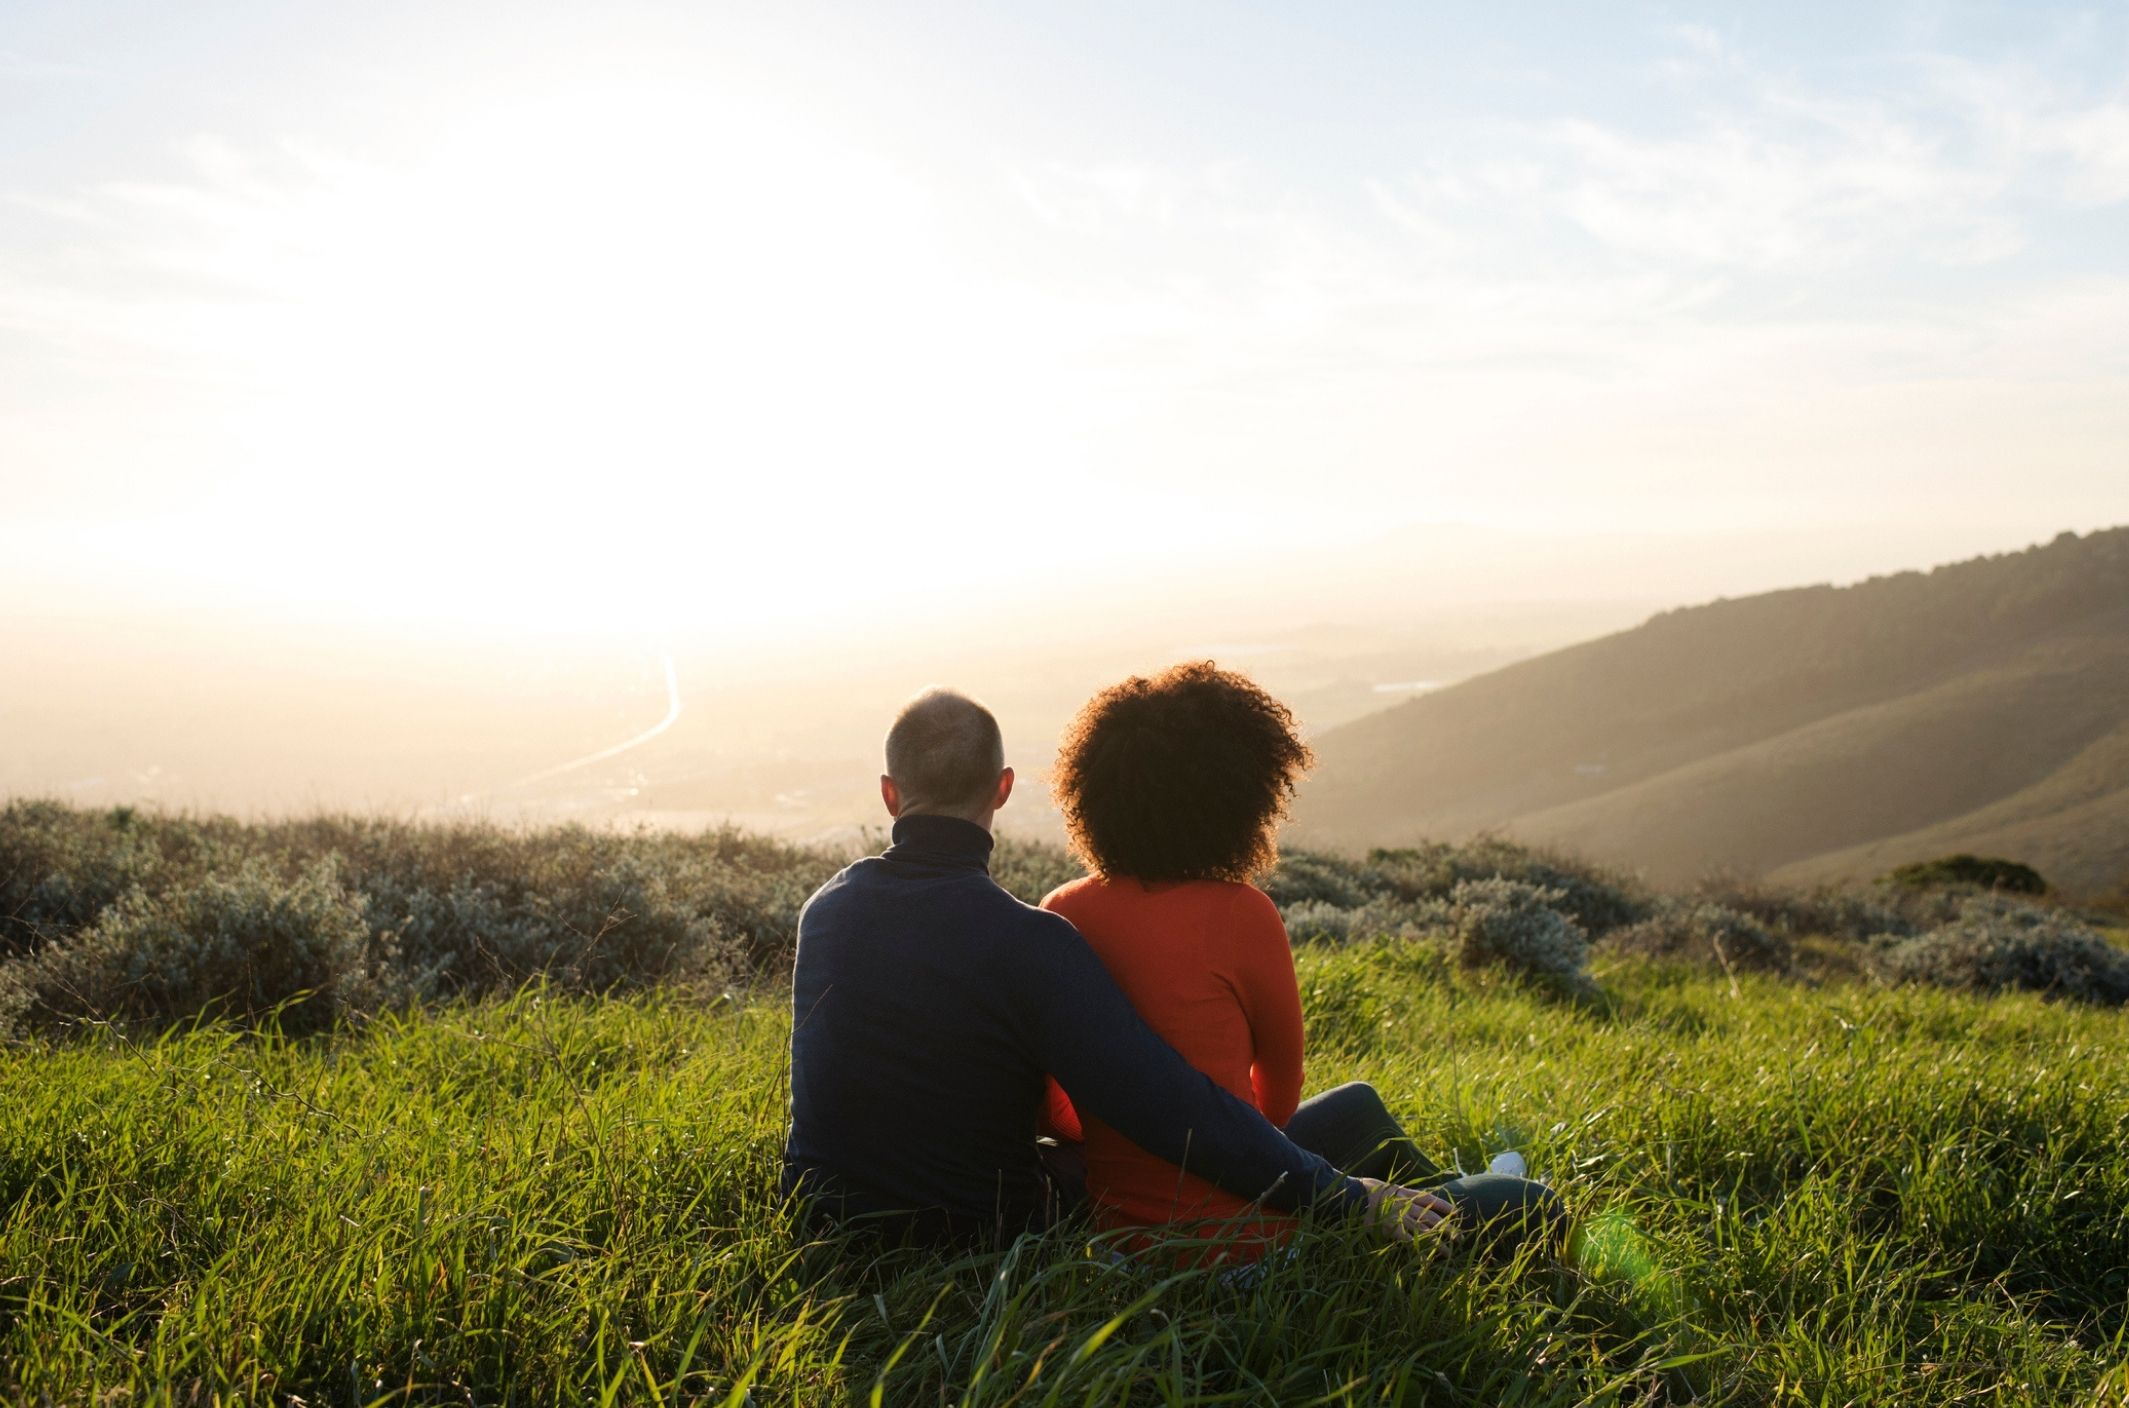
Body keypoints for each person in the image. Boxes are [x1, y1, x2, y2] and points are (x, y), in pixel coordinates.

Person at [782, 688, 1449, 1249]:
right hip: (978, 1237)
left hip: (826, 1226)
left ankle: (1441, 1198)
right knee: (1491, 1189)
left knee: (1349, 1115)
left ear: (890, 794)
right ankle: (1464, 1208)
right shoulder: (1029, 941)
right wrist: (1347, 1198)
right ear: (1004, 788)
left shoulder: (826, 912)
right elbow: (1173, 1110)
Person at [1040, 662, 1563, 1260]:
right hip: (1252, 1242)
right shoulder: (1244, 914)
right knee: (1530, 1204)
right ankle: (1460, 1202)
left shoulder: (1062, 909)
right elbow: (1279, 1100)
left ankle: (1436, 1195)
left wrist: (1128, 1136)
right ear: (1237, 797)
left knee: (1357, 1104)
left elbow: (1055, 1106)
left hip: (1121, 1237)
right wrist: (1240, 1151)